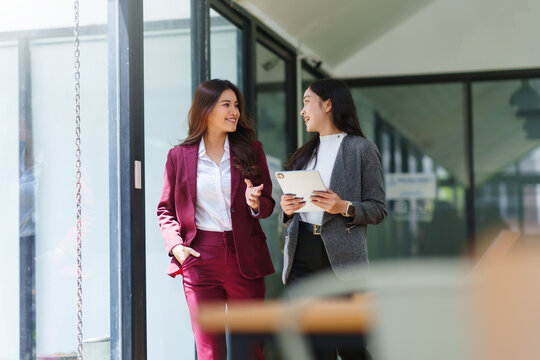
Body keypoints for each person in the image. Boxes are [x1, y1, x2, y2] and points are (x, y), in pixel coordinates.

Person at [157, 79, 275, 360]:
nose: (234, 111)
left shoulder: (251, 151)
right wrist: (176, 246)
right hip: (199, 257)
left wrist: (255, 203)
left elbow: (269, 204)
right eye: (226, 105)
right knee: (209, 351)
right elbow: (165, 210)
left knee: (249, 349)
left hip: (244, 257)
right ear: (206, 109)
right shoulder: (178, 156)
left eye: (236, 105)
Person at [280, 78, 387, 360]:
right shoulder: (303, 155)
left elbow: (378, 209)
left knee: (351, 345)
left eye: (306, 102)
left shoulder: (361, 149)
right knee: (314, 346)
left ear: (328, 104)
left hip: (342, 257)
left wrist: (345, 207)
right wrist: (287, 209)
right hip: (302, 251)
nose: (302, 110)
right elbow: (292, 213)